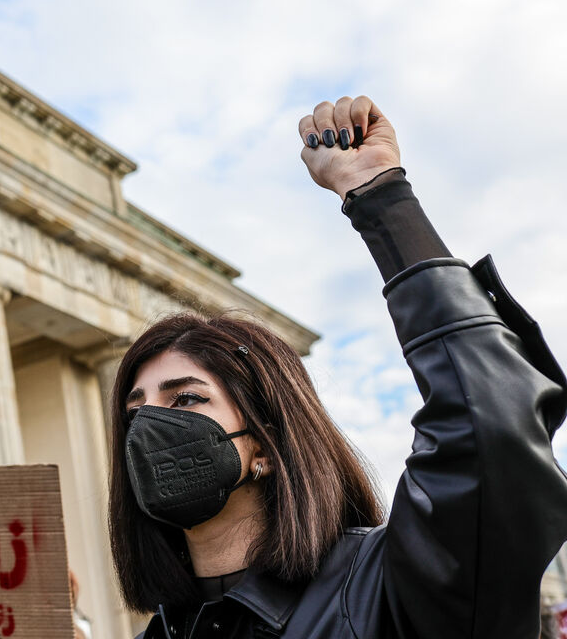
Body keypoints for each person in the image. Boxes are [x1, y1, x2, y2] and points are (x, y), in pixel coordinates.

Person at [108, 96, 567, 638]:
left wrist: (381, 197)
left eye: (185, 399)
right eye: (135, 411)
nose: (149, 429)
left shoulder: (395, 590)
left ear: (266, 445)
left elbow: (491, 426)